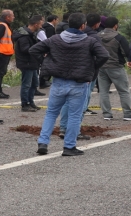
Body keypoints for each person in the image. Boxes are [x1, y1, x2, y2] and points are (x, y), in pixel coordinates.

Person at [30, 13, 109, 156]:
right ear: (83, 25)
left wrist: (47, 62)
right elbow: (104, 55)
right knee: (74, 115)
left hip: (58, 82)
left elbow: (33, 50)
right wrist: (91, 68)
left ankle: (43, 142)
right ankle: (69, 147)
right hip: (79, 84)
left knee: (51, 113)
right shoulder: (90, 41)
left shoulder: (55, 39)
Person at [98, 17, 131, 121]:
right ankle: (128, 114)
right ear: (115, 25)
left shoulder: (98, 36)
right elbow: (127, 52)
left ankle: (107, 114)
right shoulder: (119, 37)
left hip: (101, 67)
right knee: (123, 91)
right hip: (116, 67)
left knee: (103, 91)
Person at [13, 15, 44, 112]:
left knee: (34, 83)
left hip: (32, 62)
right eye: (40, 25)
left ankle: (31, 102)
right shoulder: (24, 36)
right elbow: (25, 49)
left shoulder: (31, 34)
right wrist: (38, 48)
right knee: (26, 84)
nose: (41, 27)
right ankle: (25, 104)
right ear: (35, 24)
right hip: (26, 63)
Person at [38, 15, 58, 89]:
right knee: (47, 65)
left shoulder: (44, 27)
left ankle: (44, 80)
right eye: (57, 20)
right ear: (54, 20)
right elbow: (49, 39)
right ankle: (43, 81)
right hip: (47, 49)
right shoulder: (50, 28)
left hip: (44, 49)